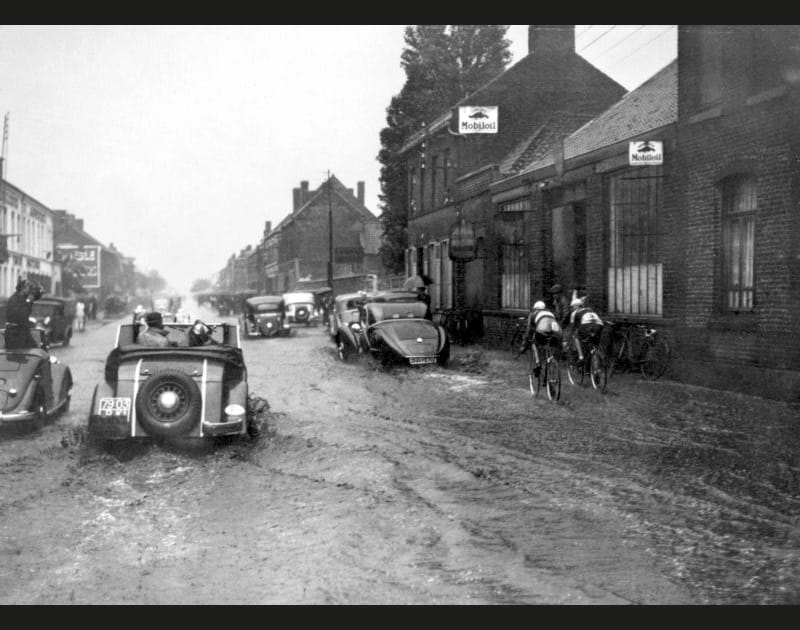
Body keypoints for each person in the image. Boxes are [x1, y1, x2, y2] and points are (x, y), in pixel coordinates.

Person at [520, 300, 563, 375]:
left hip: (543, 332)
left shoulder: (533, 314)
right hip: (557, 332)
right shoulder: (550, 313)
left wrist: (524, 345)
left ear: (535, 308)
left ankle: (538, 363)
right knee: (553, 346)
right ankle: (553, 359)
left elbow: (529, 330)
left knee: (534, 342)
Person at [5, 278, 44, 350]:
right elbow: (22, 316)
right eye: (28, 287)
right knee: (23, 354)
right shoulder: (14, 300)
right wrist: (29, 301)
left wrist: (38, 292)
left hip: (21, 331)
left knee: (36, 351)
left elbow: (36, 297)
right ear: (22, 289)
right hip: (15, 334)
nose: (30, 290)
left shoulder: (21, 298)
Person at [569, 296, 605, 362]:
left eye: (572, 307)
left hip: (586, 326)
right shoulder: (590, 309)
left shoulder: (574, 313)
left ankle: (581, 356)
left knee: (575, 336)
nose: (571, 309)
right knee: (594, 343)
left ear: (576, 306)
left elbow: (572, 327)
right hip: (599, 325)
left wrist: (568, 339)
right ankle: (597, 356)